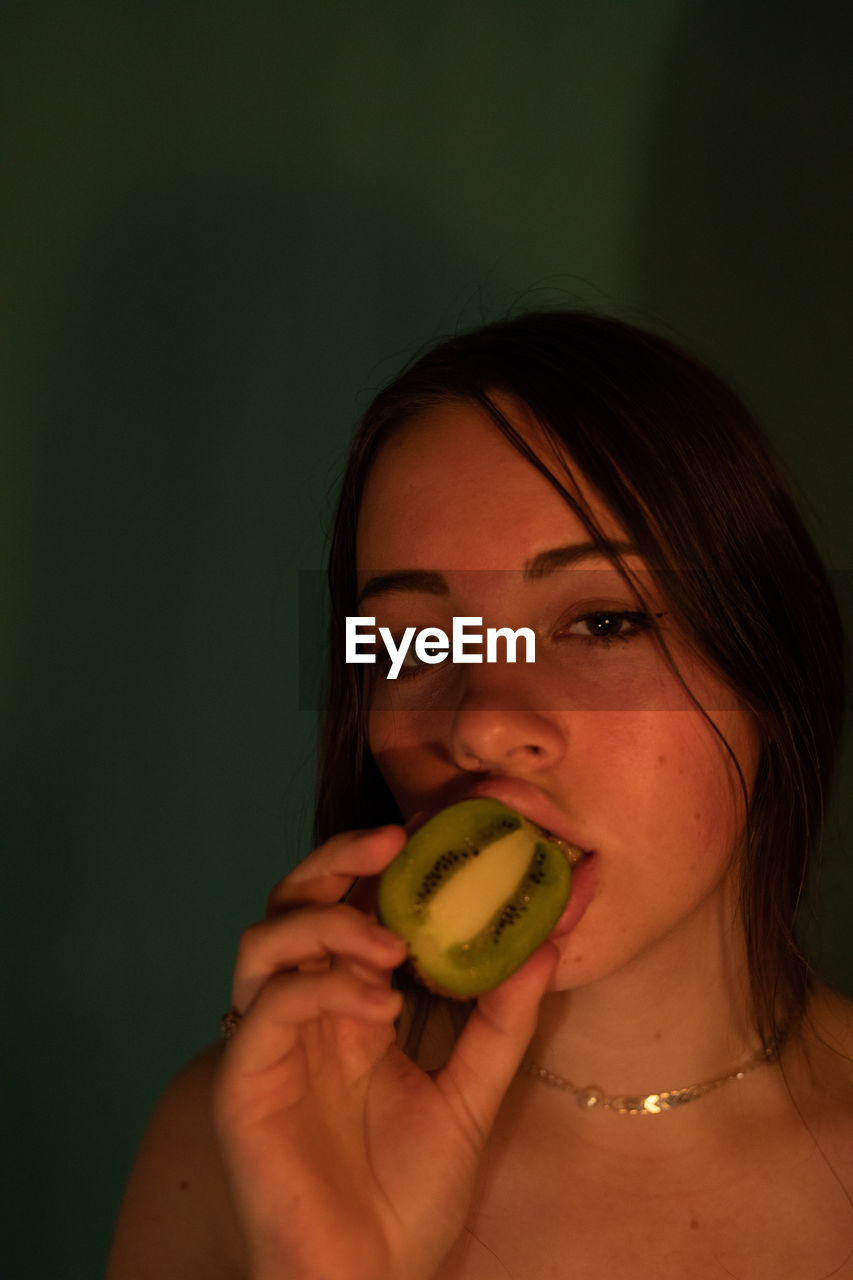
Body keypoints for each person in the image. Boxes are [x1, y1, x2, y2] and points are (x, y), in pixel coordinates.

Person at [108, 311, 853, 1280]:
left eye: (600, 619)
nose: (481, 722)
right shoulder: (235, 1149)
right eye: (421, 640)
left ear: (771, 670)